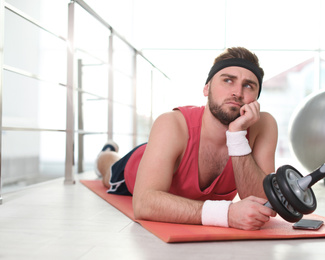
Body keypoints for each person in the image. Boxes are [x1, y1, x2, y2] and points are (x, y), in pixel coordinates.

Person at [95, 47, 278, 230]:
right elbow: (143, 204)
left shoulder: (263, 125)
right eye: (228, 80)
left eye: (248, 85)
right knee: (108, 172)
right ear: (207, 88)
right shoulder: (171, 124)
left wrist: (237, 135)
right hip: (143, 161)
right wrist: (227, 214)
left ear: (256, 98)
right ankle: (107, 152)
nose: (237, 92)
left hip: (177, 151)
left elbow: (265, 203)